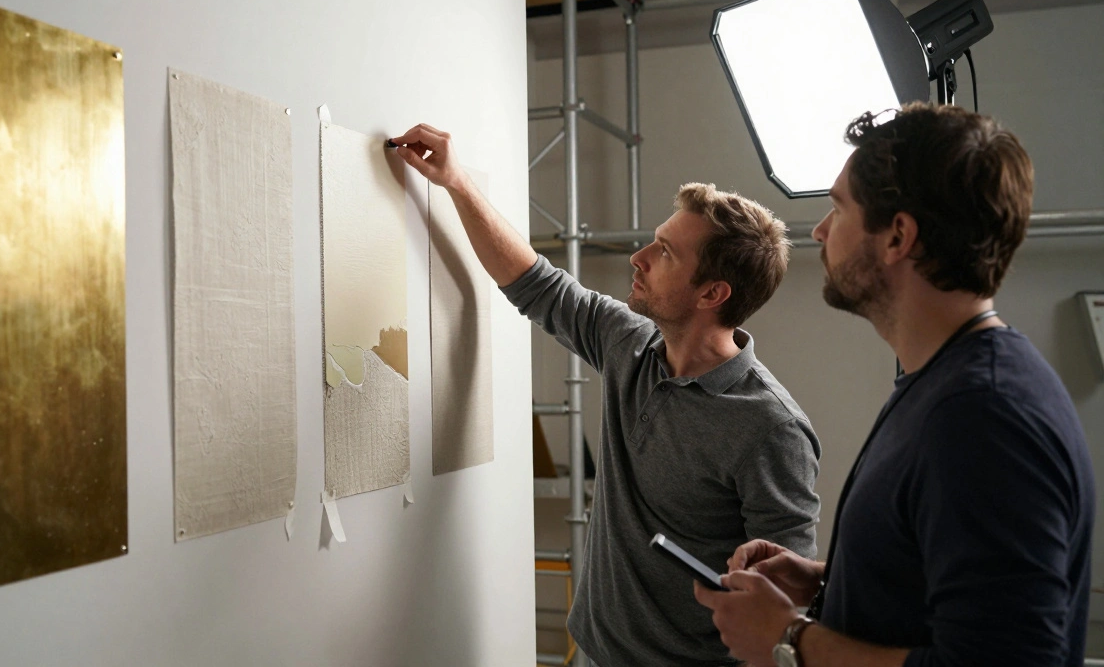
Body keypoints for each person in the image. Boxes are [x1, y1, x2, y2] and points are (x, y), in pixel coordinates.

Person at [391, 123, 821, 666]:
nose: (639, 257)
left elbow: (782, 605)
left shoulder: (772, 429)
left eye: (665, 253)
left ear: (712, 293)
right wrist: (456, 182)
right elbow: (534, 282)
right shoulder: (630, 343)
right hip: (593, 652)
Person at [694, 103, 1095, 667]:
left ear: (898, 236)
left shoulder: (985, 417)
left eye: (839, 207)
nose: (820, 230)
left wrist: (789, 640)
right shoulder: (943, 381)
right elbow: (950, 586)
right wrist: (830, 580)